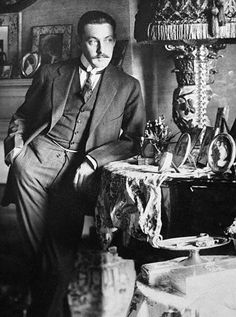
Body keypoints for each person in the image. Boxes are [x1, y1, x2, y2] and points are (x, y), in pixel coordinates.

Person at [2, 10, 145, 317]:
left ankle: (38, 309)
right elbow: (24, 116)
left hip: (79, 173)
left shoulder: (127, 85)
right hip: (36, 163)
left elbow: (133, 139)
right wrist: (15, 149)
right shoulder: (51, 73)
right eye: (93, 41)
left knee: (57, 250)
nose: (101, 49)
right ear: (81, 41)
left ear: (114, 41)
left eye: (107, 40)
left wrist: (94, 160)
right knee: (38, 246)